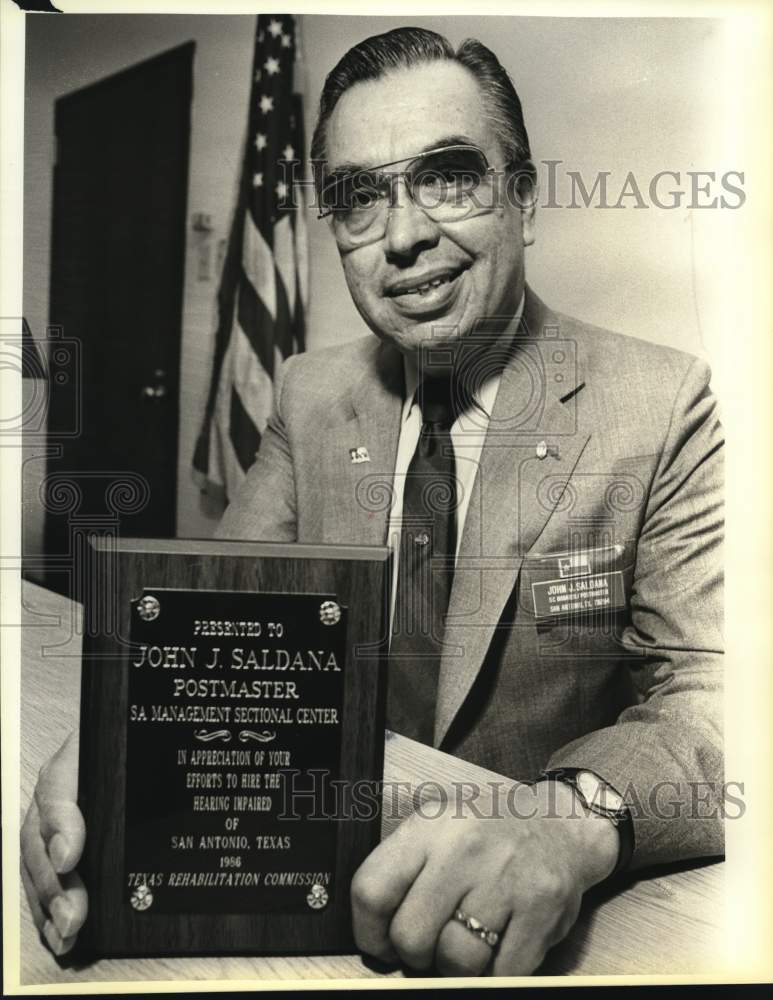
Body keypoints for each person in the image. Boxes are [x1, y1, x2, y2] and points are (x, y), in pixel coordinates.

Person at [22, 27, 723, 976]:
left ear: (523, 199)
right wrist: (103, 747)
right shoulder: (311, 392)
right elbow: (208, 618)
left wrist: (571, 820)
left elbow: (712, 699)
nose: (402, 237)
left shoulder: (659, 400)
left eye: (447, 175)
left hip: (516, 919)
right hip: (308, 882)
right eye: (358, 197)